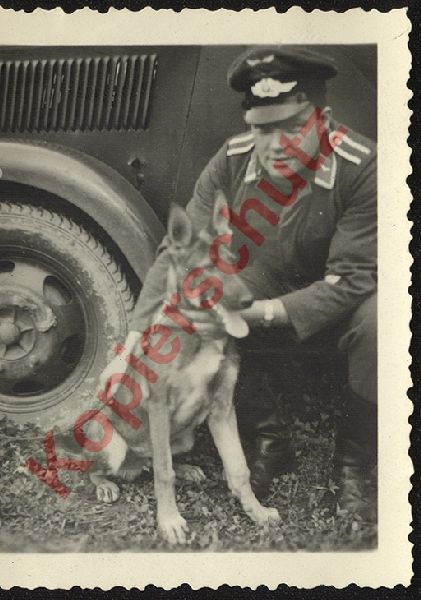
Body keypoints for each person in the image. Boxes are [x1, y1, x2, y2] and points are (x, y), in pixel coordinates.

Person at [128, 46, 377, 520]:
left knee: (381, 321)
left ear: (322, 121)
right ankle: (269, 441)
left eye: (292, 127)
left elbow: (354, 277)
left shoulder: (361, 165)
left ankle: (354, 466)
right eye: (263, 128)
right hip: (267, 280)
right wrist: (134, 337)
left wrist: (260, 314)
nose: (275, 143)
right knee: (220, 288)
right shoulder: (233, 159)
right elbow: (177, 250)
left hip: (342, 293)